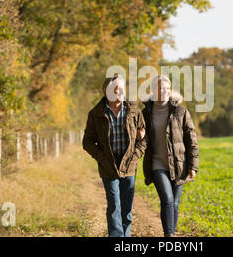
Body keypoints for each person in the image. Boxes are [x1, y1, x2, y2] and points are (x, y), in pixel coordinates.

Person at [82, 75, 147, 237]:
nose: (118, 91)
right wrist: (101, 158)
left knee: (126, 207)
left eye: (121, 87)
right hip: (108, 164)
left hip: (129, 163)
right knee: (114, 205)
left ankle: (125, 236)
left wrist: (136, 156)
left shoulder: (134, 111)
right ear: (106, 91)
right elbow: (87, 141)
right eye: (114, 88)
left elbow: (144, 138)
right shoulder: (96, 113)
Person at [141, 75, 199, 237]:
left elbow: (192, 140)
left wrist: (193, 167)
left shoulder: (181, 111)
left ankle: (171, 233)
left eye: (167, 88)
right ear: (154, 90)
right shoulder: (146, 113)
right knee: (167, 199)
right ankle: (170, 235)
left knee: (174, 202)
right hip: (157, 164)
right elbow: (141, 138)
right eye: (161, 88)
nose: (165, 91)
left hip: (179, 164)